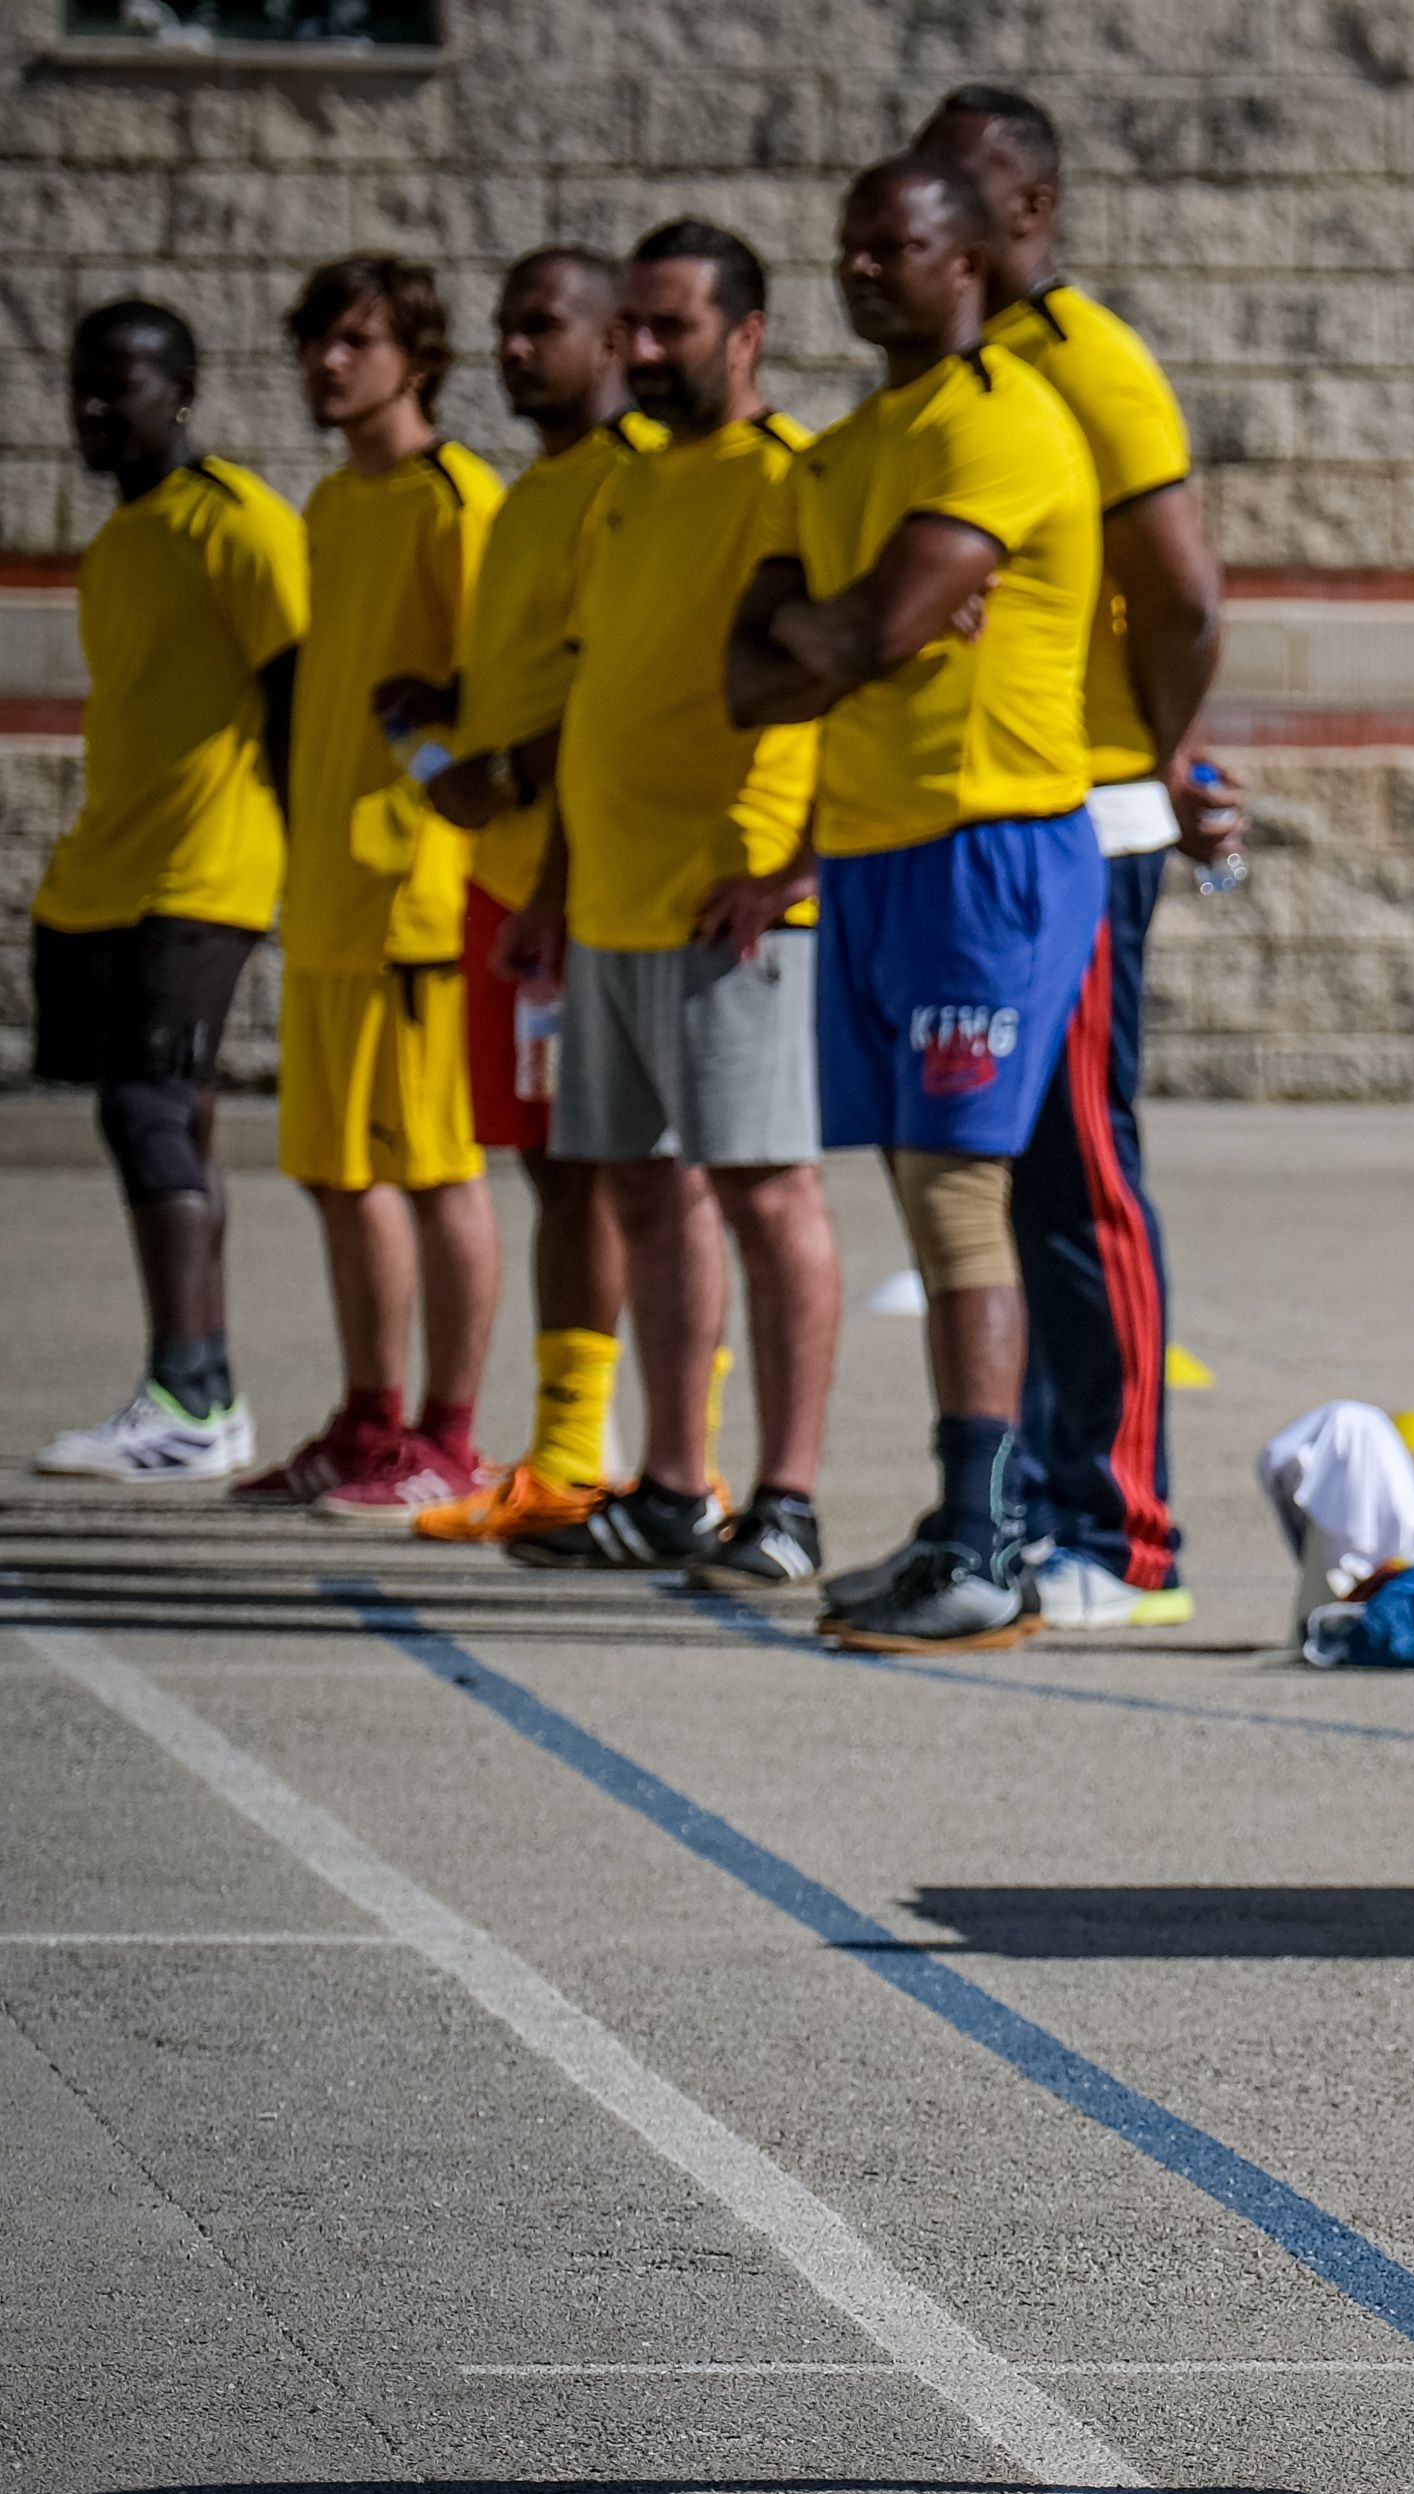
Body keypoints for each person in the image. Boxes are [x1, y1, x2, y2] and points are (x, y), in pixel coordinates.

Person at [729, 155, 1104, 1653]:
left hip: (985, 845)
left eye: (901, 245)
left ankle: (992, 1538)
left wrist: (851, 627)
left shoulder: (1004, 422)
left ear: (971, 263)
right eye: (852, 246)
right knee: (914, 1182)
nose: (868, 267)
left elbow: (862, 635)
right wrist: (857, 628)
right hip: (871, 852)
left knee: (960, 1196)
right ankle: (958, 1519)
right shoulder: (836, 458)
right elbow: (752, 670)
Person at [916, 82, 1242, 1633]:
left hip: (1091, 818)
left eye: (964, 193)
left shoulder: (1086, 363)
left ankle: (1122, 1532)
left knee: (1081, 1173)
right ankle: (1042, 1502)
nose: (934, 224)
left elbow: (1180, 593)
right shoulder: (969, 379)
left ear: (1031, 211)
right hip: (1001, 823)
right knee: (1016, 1170)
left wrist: (1159, 763)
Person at [504, 220, 840, 1591]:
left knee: (767, 1193)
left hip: (730, 906)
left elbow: (833, 674)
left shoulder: (789, 478)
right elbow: (602, 688)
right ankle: (673, 1483)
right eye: (630, 326)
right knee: (643, 1189)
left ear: (746, 334)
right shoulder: (624, 482)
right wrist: (556, 883)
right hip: (610, 909)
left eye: (671, 329)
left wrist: (782, 865)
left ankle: (789, 1496)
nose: (639, 352)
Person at [231, 253, 501, 1519]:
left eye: (355, 340)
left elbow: (497, 702)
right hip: (327, 888)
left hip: (416, 895)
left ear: (420, 357)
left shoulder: (459, 501)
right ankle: (365, 1420)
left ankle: (447, 1438)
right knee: (337, 1172)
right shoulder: (331, 508)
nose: (327, 363)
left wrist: (436, 772)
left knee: (433, 1167)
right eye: (315, 341)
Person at [396, 248, 648, 1547]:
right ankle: (575, 1454)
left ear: (613, 342)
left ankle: (619, 1460)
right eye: (503, 325)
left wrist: (515, 779)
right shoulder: (535, 489)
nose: (511, 348)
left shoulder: (625, 484)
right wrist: (453, 721)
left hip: (583, 886)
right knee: (558, 1169)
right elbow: (544, 678)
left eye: (539, 326)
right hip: (512, 884)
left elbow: (624, 686)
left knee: (612, 1174)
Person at [30, 301, 303, 1484]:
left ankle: (190, 1398)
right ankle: (200, 1390)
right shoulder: (123, 541)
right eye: (83, 387)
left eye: (122, 387)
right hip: (108, 872)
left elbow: (299, 696)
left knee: (151, 1112)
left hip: (207, 866)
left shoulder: (235, 521)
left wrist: (315, 857)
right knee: (159, 1115)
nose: (94, 410)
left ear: (181, 392)